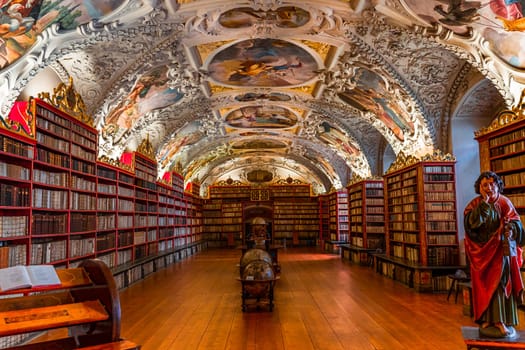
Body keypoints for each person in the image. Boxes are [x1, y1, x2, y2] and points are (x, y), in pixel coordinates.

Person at [464, 171, 524, 338]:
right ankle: (486, 319)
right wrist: (484, 204)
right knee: (482, 286)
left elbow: (516, 224)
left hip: (500, 253)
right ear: (479, 188)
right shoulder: (475, 204)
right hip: (482, 253)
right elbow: (471, 226)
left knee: (500, 285)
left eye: (492, 184)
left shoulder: (505, 203)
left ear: (498, 185)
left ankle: (501, 321)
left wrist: (511, 230)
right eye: (485, 185)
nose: (489, 188)